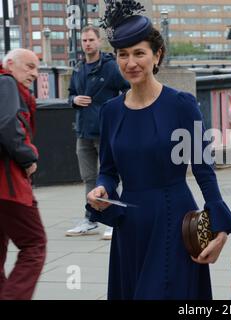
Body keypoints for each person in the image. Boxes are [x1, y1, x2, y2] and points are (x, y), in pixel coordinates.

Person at [86, 0, 231, 300]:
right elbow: (107, 171)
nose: (131, 62)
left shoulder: (182, 104)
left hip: (173, 222)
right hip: (129, 227)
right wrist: (101, 190)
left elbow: (203, 169)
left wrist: (220, 228)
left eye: (139, 53)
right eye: (123, 55)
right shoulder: (110, 111)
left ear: (157, 56)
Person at [66, 25, 129, 240]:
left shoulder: (111, 67)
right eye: (84, 40)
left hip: (105, 131)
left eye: (91, 40)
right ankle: (90, 219)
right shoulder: (78, 68)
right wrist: (73, 100)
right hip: (83, 131)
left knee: (108, 176)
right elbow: (71, 94)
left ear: (99, 42)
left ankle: (112, 218)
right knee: (89, 178)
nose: (87, 44)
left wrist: (117, 110)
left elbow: (128, 89)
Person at [0, 48, 47, 299]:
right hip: (8, 185)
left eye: (37, 68)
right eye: (29, 66)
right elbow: (8, 125)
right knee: (34, 244)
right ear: (9, 64)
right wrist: (28, 157)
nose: (35, 73)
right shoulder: (6, 82)